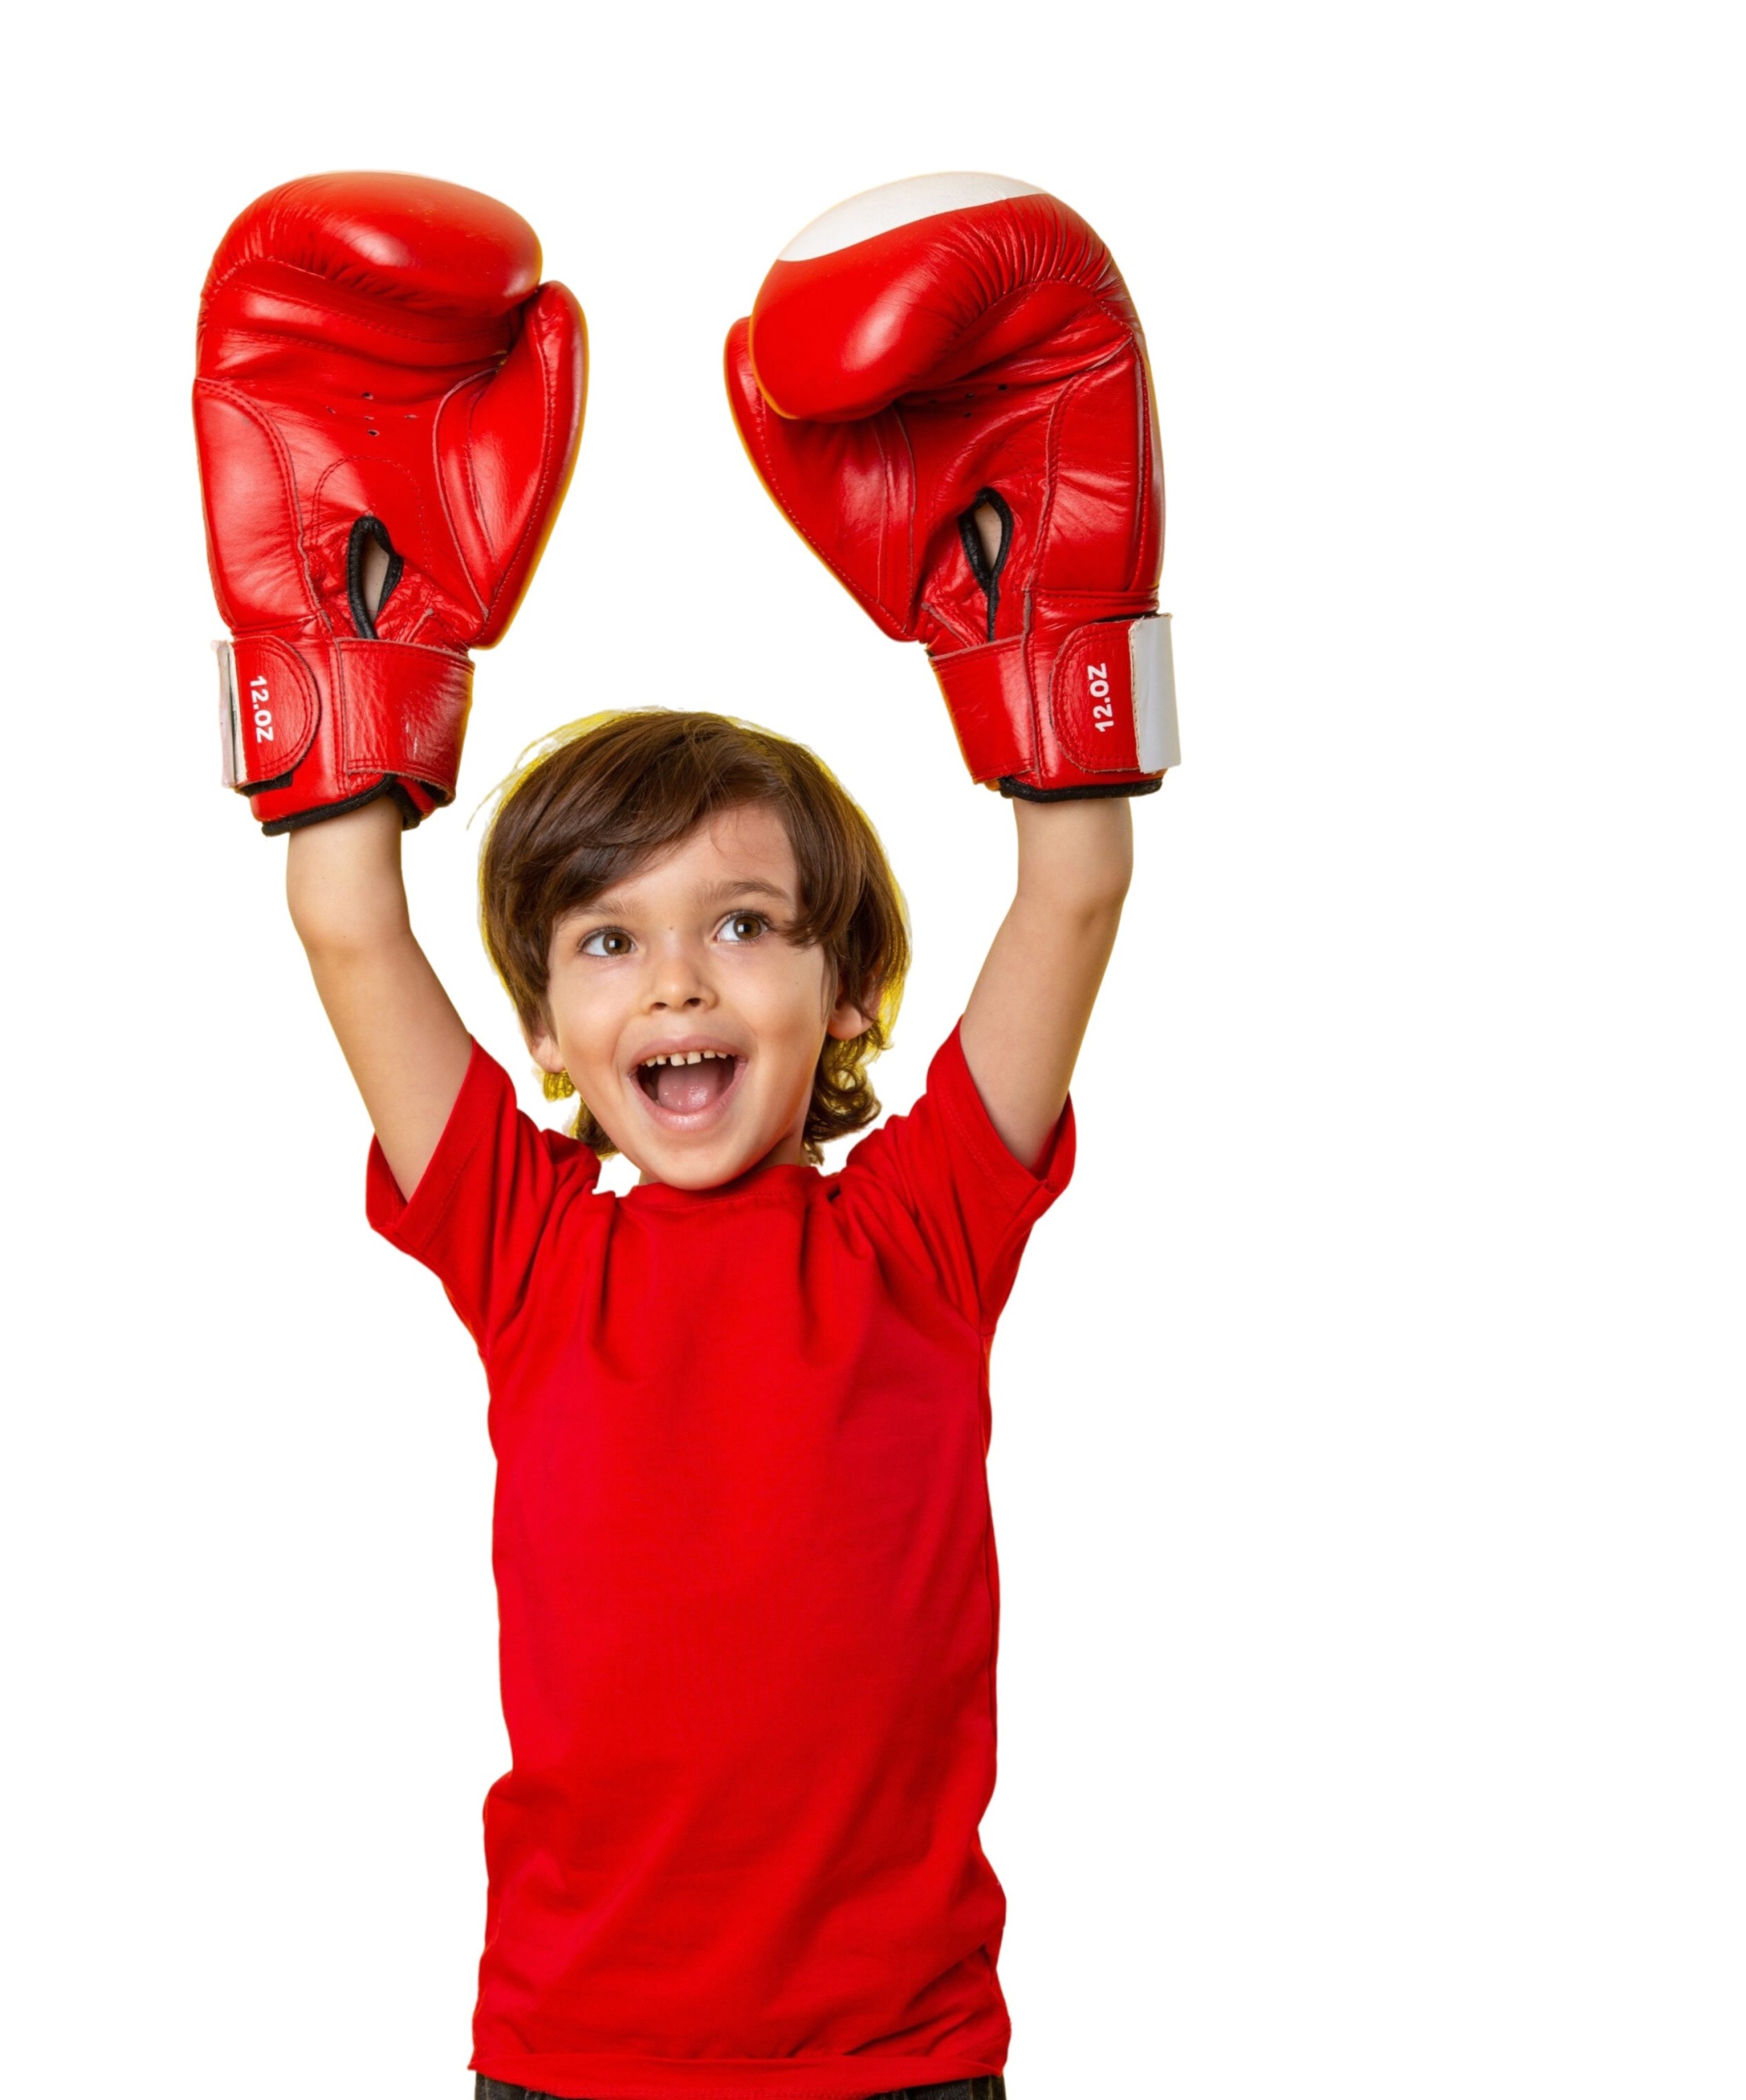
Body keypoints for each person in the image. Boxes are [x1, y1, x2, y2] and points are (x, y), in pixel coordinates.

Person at [196, 170, 1177, 2100]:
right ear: (548, 1019)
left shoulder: (920, 1226)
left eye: (742, 927)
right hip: (576, 2048)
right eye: (608, 941)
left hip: (895, 2049)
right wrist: (336, 664)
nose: (676, 986)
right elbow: (344, 920)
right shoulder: (523, 1231)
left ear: (838, 991)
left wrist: (1043, 643)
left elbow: (1069, 892)